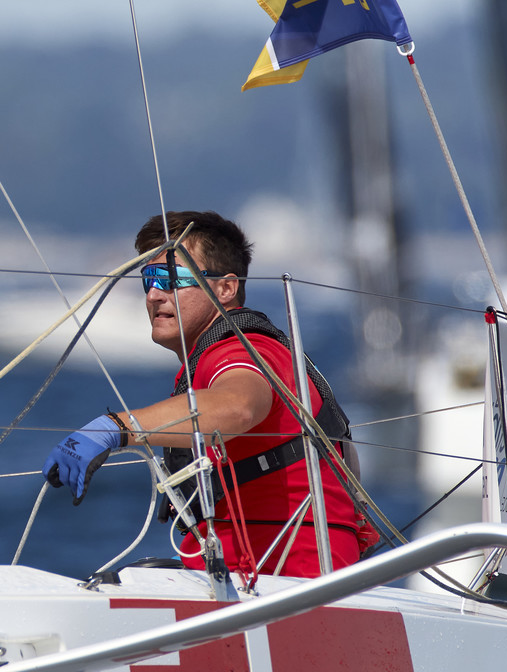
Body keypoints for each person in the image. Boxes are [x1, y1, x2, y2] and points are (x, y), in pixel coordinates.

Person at [42, 210, 363, 577]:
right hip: (254, 578)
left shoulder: (240, 351)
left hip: (288, 583)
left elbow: (239, 406)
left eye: (170, 279)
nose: (152, 294)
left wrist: (115, 428)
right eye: (148, 278)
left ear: (225, 288)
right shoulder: (227, 355)